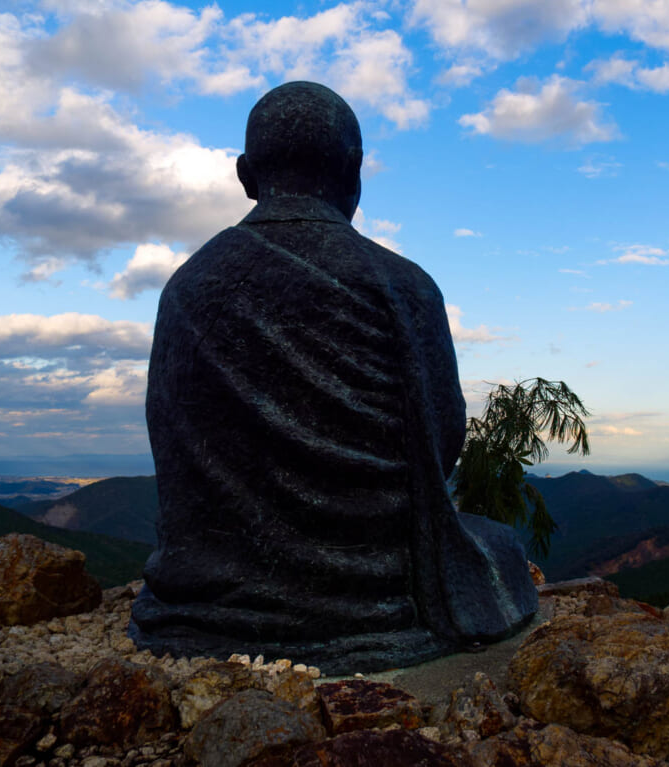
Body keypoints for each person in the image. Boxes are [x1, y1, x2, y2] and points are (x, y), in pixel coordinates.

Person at [129, 82, 537, 672]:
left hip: (202, 595)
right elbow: (442, 441)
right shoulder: (403, 285)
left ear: (245, 175)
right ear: (353, 169)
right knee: (498, 544)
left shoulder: (186, 287)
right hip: (377, 594)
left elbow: (170, 440)